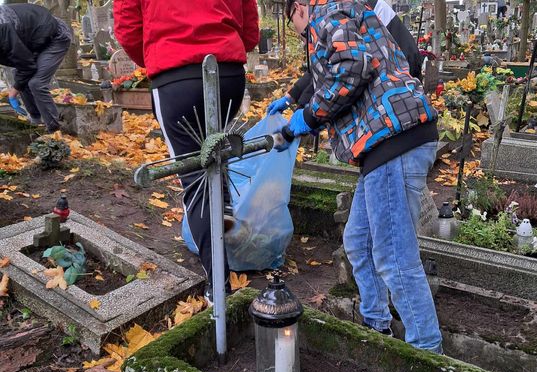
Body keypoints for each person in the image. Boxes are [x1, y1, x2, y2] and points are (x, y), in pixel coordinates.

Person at [283, 0, 443, 353]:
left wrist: (309, 118)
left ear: (298, 9)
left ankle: (429, 356)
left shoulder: (325, 13)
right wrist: (294, 100)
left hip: (391, 139)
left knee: (394, 257)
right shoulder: (345, 10)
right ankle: (377, 326)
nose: (303, 37)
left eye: (298, 31)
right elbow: (328, 69)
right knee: (359, 242)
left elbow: (351, 64)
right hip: (390, 140)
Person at [114, 0, 259, 303]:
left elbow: (128, 28)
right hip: (228, 73)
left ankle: (219, 286)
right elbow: (250, 27)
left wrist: (156, 53)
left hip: (175, 77)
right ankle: (228, 230)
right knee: (218, 156)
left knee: (196, 180)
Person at [268, 0, 424, 115]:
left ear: (298, 8)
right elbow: (331, 63)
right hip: (397, 79)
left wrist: (308, 115)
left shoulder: (331, 13)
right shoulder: (331, 9)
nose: (296, 30)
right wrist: (291, 97)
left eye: (291, 20)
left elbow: (347, 67)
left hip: (398, 85)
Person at [0, 3, 72, 133]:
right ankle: (36, 121)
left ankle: (54, 132)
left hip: (56, 37)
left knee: (36, 83)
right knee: (20, 75)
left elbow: (27, 67)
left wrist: (13, 92)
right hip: (36, 39)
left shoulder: (3, 29)